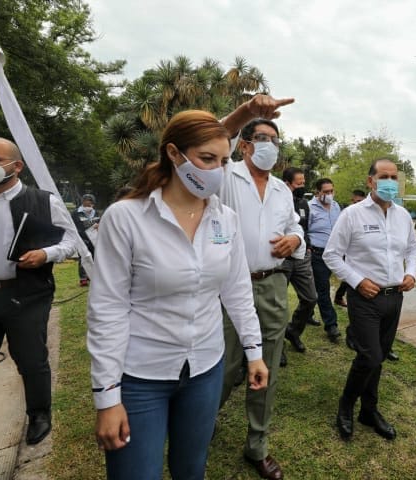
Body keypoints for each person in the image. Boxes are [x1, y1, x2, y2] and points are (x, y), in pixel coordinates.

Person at [87, 111, 268, 479]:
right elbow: (108, 308)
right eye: (206, 159)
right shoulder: (127, 218)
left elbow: (236, 290)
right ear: (173, 153)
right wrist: (107, 397)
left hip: (205, 367)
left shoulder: (224, 219)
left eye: (222, 161)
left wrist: (254, 353)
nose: (216, 170)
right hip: (140, 375)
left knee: (191, 469)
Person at [218, 112, 304, 480]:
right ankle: (201, 420)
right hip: (228, 285)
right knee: (223, 364)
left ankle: (258, 444)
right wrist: (247, 111)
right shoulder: (224, 177)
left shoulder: (284, 191)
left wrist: (295, 240)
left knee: (265, 364)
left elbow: (294, 227)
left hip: (271, 285)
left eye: (275, 139)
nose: (269, 145)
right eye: (262, 137)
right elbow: (214, 137)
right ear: (246, 143)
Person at [0, 136, 77, 445]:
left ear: (16, 166)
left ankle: (39, 414)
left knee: (30, 358)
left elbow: (71, 241)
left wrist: (45, 254)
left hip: (26, 295)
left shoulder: (42, 201)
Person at [324, 158, 416, 441]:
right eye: (384, 176)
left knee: (378, 358)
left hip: (394, 297)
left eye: (394, 177)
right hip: (365, 297)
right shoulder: (352, 214)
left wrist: (412, 272)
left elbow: (413, 249)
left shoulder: (402, 216)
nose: (390, 182)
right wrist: (357, 281)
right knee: (370, 355)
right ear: (371, 181)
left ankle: (369, 410)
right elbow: (331, 254)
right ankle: (346, 405)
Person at [282, 167, 319, 359]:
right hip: (282, 260)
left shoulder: (304, 203)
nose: (303, 186)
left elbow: (305, 228)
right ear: (288, 183)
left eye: (303, 182)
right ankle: (277, 345)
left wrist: (309, 246)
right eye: (299, 183)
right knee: (279, 304)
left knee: (310, 298)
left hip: (303, 257)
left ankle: (293, 331)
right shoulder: (277, 200)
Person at [308, 178, 342, 343]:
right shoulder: (309, 207)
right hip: (317, 254)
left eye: (331, 191)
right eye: (326, 192)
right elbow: (303, 229)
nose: (329, 195)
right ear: (318, 193)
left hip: (334, 253)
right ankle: (331, 325)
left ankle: (307, 313)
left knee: (313, 288)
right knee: (323, 289)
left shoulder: (336, 207)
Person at [334, 189, 366, 307]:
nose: (358, 204)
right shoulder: (347, 213)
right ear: (352, 200)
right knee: (351, 275)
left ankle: (339, 296)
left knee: (353, 275)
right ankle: (341, 297)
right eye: (355, 201)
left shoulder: (367, 213)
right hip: (347, 250)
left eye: (360, 201)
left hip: (361, 251)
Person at [72, 193, 99, 286]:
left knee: (95, 257)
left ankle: (92, 276)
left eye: (90, 204)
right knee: (83, 257)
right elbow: (74, 225)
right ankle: (83, 278)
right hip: (81, 239)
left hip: (94, 239)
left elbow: (100, 223)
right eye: (86, 204)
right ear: (82, 203)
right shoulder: (76, 213)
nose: (88, 205)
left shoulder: (96, 213)